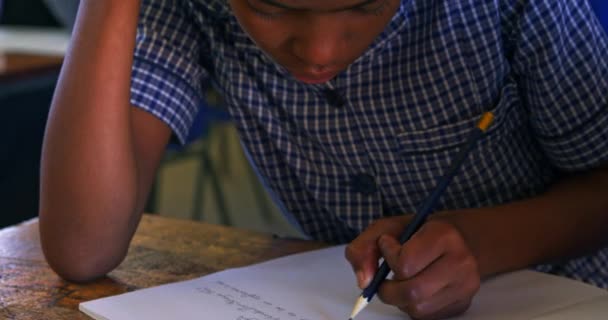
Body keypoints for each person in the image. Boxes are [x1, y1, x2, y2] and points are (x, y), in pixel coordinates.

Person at [39, 0, 608, 319]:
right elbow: (84, 246)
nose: (318, 51)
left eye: (362, 6)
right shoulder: (194, 8)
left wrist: (476, 241)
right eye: (268, 7)